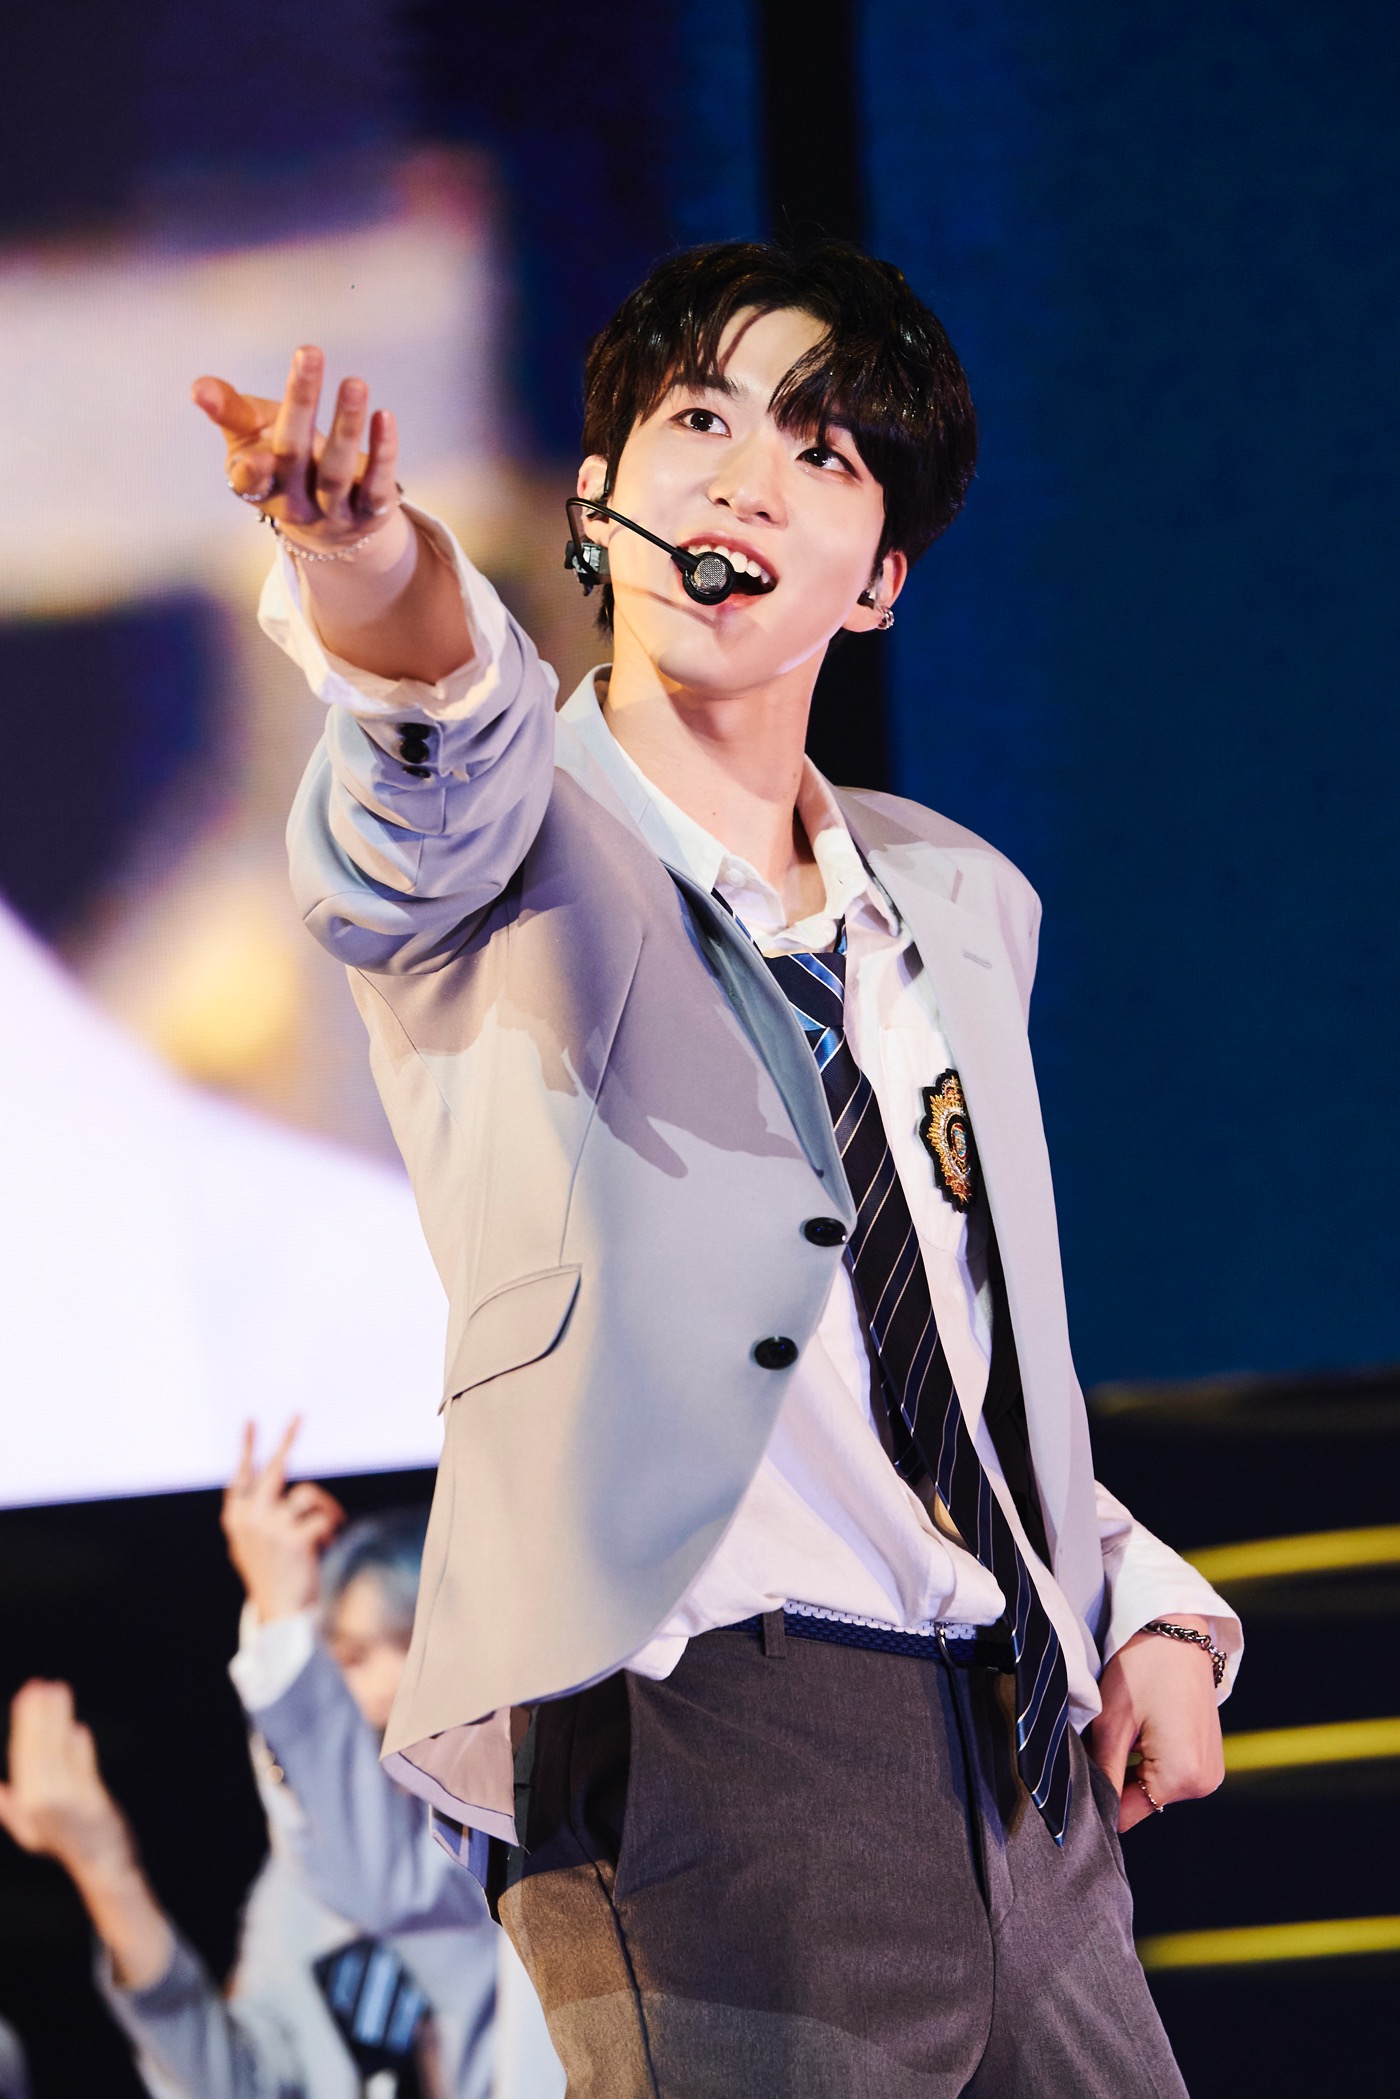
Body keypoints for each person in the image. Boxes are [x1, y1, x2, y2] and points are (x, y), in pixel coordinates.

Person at [192, 240, 1242, 2096]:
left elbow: (954, 1356)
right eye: (700, 422)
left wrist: (1135, 1594)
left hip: (1024, 1757)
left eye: (824, 453)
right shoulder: (509, 839)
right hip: (712, 1743)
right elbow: (429, 728)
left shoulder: (958, 901)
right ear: (597, 501)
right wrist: (362, 556)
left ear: (884, 577)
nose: (749, 480)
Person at [0, 1425, 562, 2099]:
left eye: (355, 1656)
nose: (337, 1689)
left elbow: (392, 1883)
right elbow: (235, 2083)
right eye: (330, 1658)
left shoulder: (511, 1827)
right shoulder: (302, 1879)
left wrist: (284, 1624)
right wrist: (102, 1866)